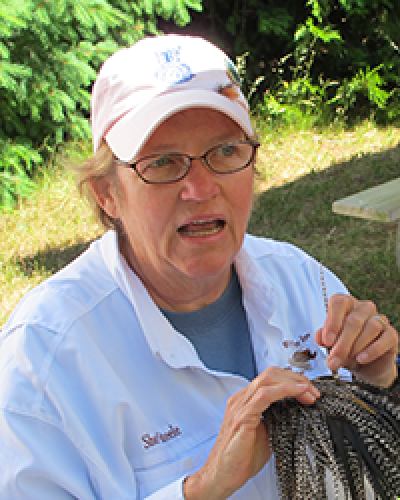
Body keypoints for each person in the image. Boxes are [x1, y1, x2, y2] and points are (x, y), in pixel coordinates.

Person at [0, 34, 398, 500]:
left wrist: (380, 384)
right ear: (106, 194)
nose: (201, 188)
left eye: (225, 151)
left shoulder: (304, 282)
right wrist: (202, 488)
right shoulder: (43, 359)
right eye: (164, 162)